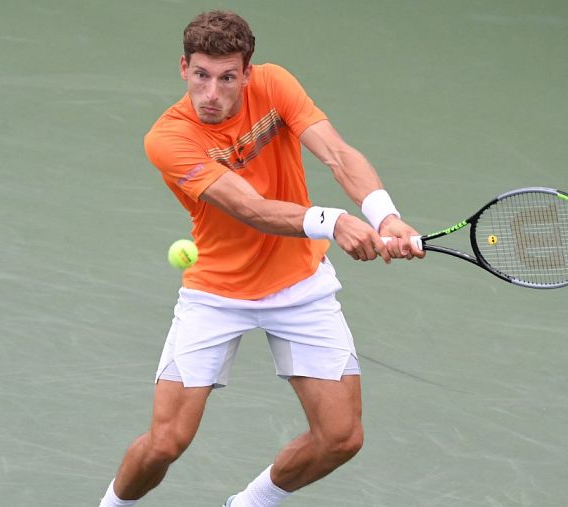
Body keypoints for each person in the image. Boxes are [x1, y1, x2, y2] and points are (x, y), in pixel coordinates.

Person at [98, 10, 423, 507]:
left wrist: (386, 217)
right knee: (165, 442)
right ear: (183, 68)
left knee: (341, 437)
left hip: (300, 285)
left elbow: (337, 154)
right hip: (216, 294)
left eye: (227, 78)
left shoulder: (275, 85)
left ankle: (249, 504)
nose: (212, 93)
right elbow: (250, 208)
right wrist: (334, 221)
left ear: (247, 73)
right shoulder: (168, 138)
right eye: (201, 75)